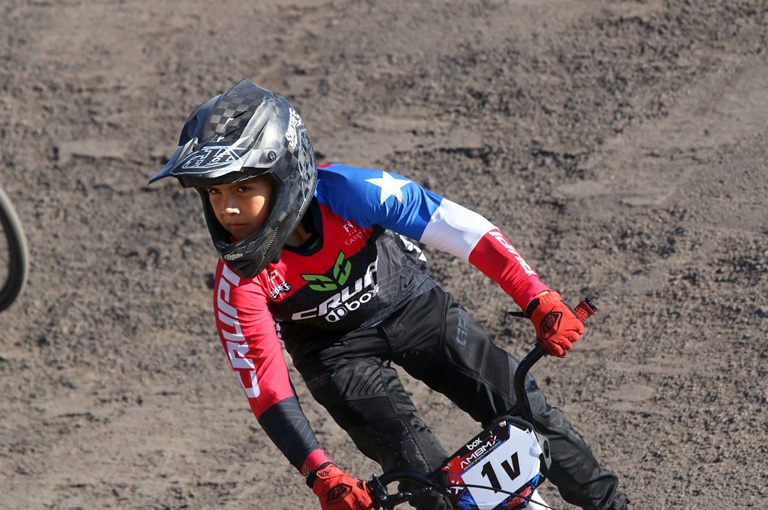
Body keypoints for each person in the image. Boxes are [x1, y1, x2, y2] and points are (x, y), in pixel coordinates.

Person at [149, 79, 629, 510]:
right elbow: (268, 389)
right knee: (427, 482)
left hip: (412, 306)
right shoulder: (238, 282)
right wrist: (320, 473)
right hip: (336, 356)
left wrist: (536, 297)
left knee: (525, 409)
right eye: (213, 193)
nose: (228, 208)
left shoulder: (349, 191)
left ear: (284, 174)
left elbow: (457, 228)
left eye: (242, 187)